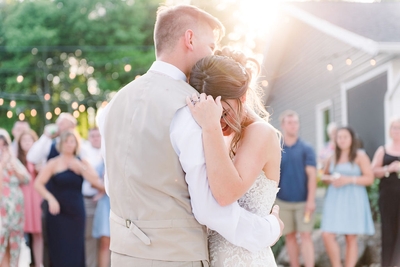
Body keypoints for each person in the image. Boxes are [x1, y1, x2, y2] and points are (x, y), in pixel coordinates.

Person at [97, 4, 283, 266]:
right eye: (210, 45)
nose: (212, 55)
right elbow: (210, 208)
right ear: (190, 39)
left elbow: (112, 186)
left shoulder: (112, 106)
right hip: (177, 257)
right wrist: (271, 228)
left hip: (124, 256)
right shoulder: (191, 109)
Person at [186, 48, 282, 266]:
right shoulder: (225, 135)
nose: (219, 121)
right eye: (211, 113)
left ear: (243, 97)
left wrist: (209, 126)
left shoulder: (260, 133)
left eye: (224, 112)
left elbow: (225, 194)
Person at [34, 131, 105, 267]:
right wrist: (50, 198)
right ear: (61, 144)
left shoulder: (82, 162)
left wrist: (81, 169)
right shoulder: (53, 163)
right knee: (59, 248)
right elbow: (38, 184)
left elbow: (97, 182)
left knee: (76, 248)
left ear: (76, 143)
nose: (69, 144)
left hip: (76, 213)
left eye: (72, 141)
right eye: (66, 141)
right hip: (57, 213)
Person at [321, 126, 374, 267]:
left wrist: (348, 180)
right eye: (339, 137)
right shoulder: (332, 157)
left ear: (351, 139)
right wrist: (331, 178)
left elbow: (370, 178)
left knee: (350, 237)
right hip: (335, 199)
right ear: (336, 140)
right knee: (327, 235)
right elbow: (324, 177)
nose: (342, 140)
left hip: (353, 199)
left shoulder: (360, 156)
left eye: (345, 137)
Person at [275, 110, 317, 267]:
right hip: (283, 201)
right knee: (290, 237)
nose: (293, 125)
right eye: (290, 122)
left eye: (296, 122)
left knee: (305, 235)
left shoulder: (307, 148)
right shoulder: (276, 148)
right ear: (283, 125)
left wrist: (311, 200)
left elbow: (312, 176)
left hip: (303, 202)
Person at [371, 116, 400, 267]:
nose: (397, 130)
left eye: (399, 127)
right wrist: (389, 168)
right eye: (394, 127)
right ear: (390, 131)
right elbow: (373, 171)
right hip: (388, 196)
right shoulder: (383, 150)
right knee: (388, 232)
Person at [0, 129, 30, 267]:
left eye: (4, 144)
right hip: (2, 209)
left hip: (15, 210)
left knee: (14, 241)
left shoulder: (14, 160)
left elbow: (26, 179)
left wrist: (15, 170)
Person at [17, 129, 43, 267]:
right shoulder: (16, 160)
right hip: (22, 199)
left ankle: (39, 263)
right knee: (20, 234)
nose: (27, 143)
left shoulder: (39, 159)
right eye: (24, 140)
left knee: (38, 233)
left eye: (30, 140)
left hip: (36, 198)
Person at [80, 127, 103, 267]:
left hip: (106, 201)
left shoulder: (108, 150)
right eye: (92, 136)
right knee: (89, 237)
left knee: (106, 239)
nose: (95, 138)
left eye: (98, 135)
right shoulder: (84, 152)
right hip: (88, 200)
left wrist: (103, 191)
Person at [92, 161, 110, 267]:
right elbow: (93, 182)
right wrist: (105, 188)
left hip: (121, 204)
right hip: (105, 205)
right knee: (105, 242)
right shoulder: (102, 163)